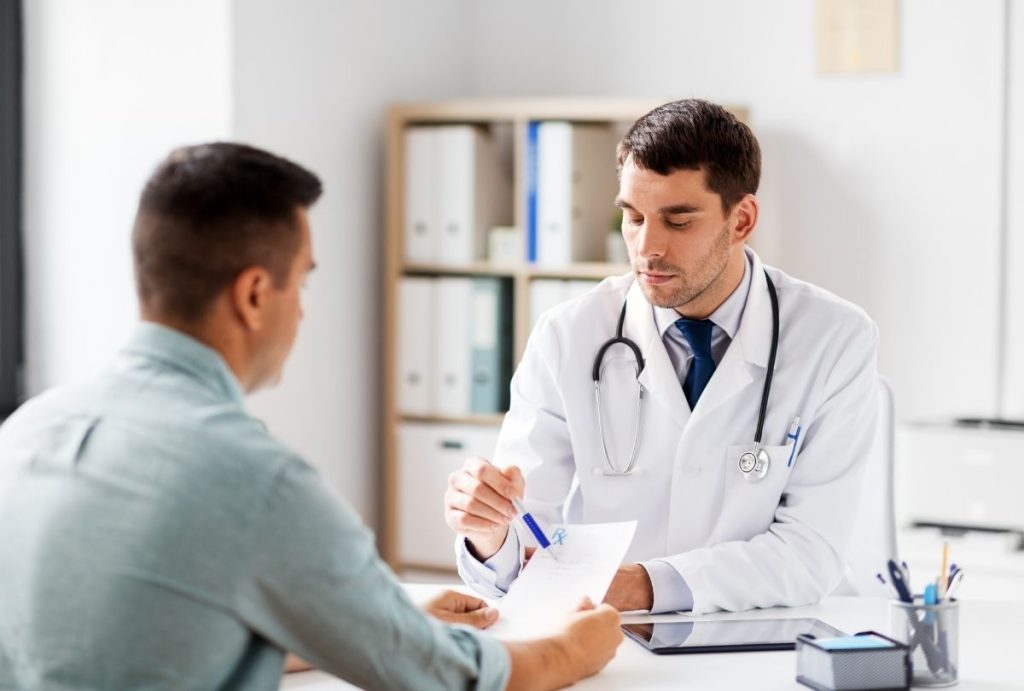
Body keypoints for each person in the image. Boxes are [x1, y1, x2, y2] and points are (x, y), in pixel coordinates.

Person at [0, 143, 621, 690]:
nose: (300, 312)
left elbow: (143, 643)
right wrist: (572, 649)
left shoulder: (27, 431)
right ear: (252, 296)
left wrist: (369, 623)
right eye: (301, 283)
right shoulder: (251, 480)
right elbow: (443, 677)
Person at [445, 99, 880, 615]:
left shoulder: (834, 338)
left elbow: (811, 552)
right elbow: (521, 541)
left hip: (758, 640)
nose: (646, 247)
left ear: (742, 219)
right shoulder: (569, 335)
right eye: (631, 217)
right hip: (609, 638)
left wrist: (642, 585)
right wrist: (490, 535)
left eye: (678, 221)